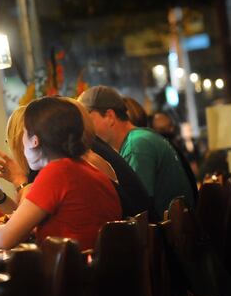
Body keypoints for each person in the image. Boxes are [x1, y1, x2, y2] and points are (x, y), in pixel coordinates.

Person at [0, 96, 121, 251]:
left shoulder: (56, 172)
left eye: (24, 133)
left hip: (74, 274)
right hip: (97, 271)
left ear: (34, 140)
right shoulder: (86, 168)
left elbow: (5, 238)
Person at [81, 86, 196, 216]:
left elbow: (137, 208)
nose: (84, 128)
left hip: (166, 234)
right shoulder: (140, 137)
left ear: (109, 116)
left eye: (87, 119)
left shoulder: (136, 145)